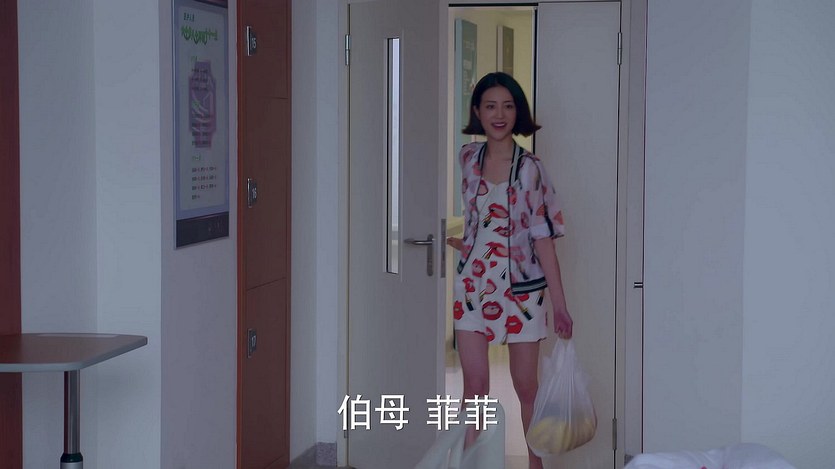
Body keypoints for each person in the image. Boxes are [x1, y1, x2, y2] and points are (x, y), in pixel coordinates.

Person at [446, 72, 573, 469]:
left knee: (526, 387)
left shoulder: (530, 168)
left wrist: (560, 305)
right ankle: (469, 463)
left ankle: (536, 465)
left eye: (507, 106)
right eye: (490, 106)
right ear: (477, 112)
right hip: (473, 287)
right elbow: (479, 219)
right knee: (474, 387)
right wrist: (469, 247)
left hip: (522, 292)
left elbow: (542, 239)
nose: (498, 114)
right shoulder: (468, 159)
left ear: (517, 113)